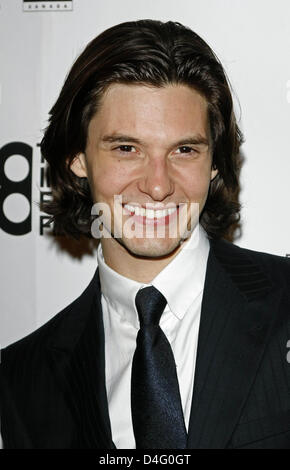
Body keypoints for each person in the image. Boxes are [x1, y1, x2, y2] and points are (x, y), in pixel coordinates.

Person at [1, 19, 290, 450]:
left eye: (184, 150)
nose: (158, 185)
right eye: (126, 148)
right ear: (77, 158)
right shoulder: (23, 376)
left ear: (214, 164)